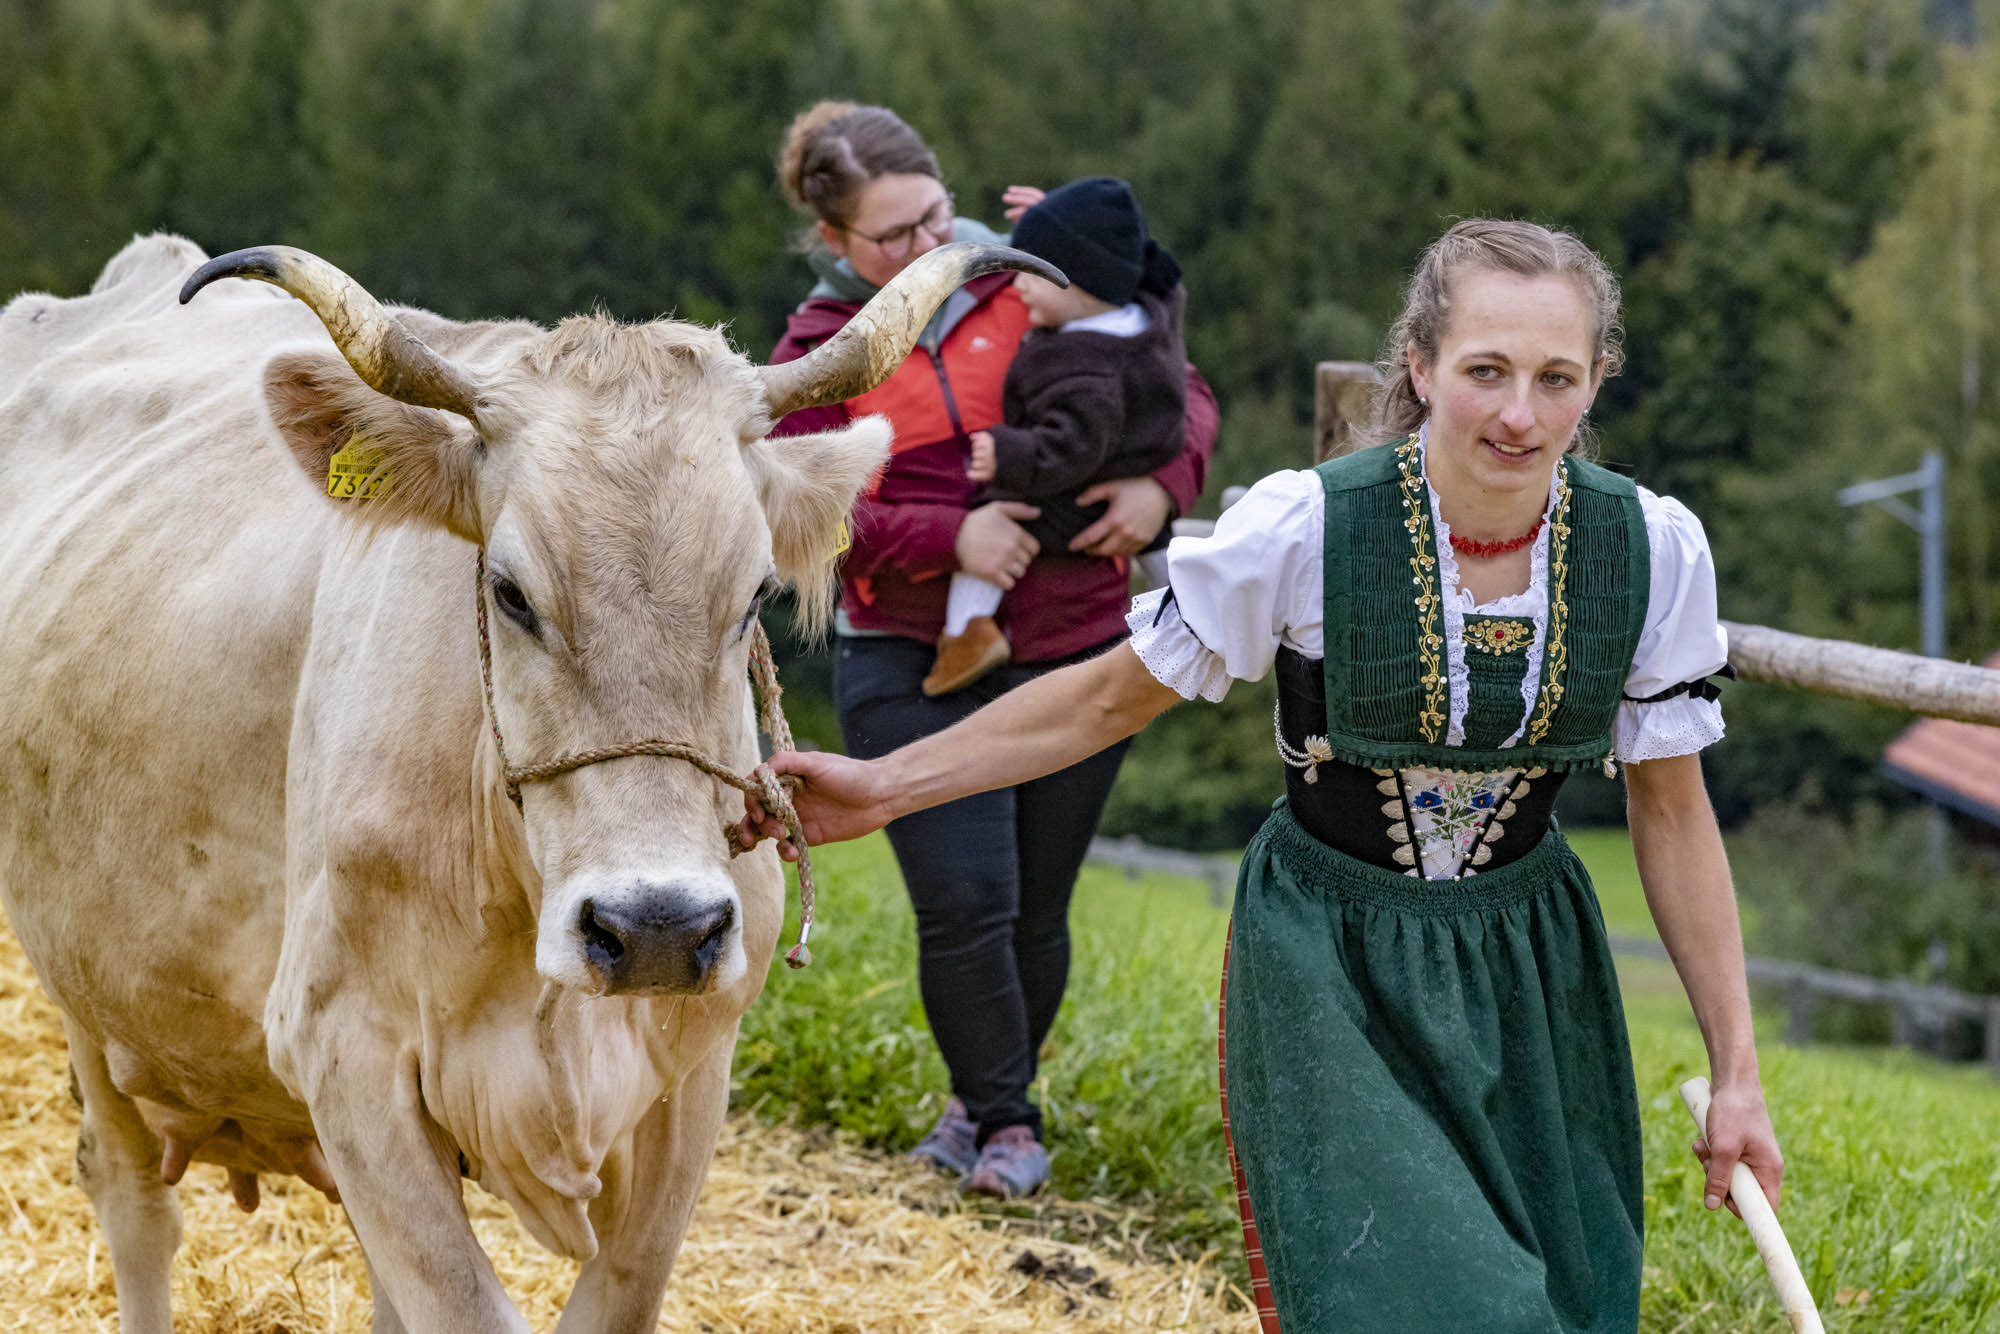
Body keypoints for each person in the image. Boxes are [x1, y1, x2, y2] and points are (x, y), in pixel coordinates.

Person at [744, 219, 1782, 1332]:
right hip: (1332, 960)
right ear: (1420, 364)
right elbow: (1104, 699)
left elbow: (1672, 811)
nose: (1518, 414)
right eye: (1485, 370)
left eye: (1555, 378)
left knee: (1561, 1299)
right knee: (1424, 1300)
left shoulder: (1648, 549)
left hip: (1532, 971)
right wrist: (887, 785)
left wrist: (1737, 1073)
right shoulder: (1307, 528)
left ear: (1596, 381)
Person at [768, 102, 1218, 1198]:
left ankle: (977, 1108)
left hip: (1073, 639)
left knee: (1036, 905)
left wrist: (1163, 489)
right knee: (965, 898)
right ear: (834, 240)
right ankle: (1012, 1124)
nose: (929, 246)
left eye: (936, 215)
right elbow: (794, 505)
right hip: (904, 650)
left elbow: (1177, 385)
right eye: (894, 236)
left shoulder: (1028, 278)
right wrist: (947, 536)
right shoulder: (809, 352)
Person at [936, 175, 1189, 695]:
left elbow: (1069, 448)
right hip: (1138, 468)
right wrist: (1075, 225)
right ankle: (1187, 606)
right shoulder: (1148, 315)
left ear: (1078, 280)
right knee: (1158, 546)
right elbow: (1157, 273)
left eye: (1032, 273)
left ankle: (967, 632)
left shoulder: (1083, 369)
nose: (1017, 285)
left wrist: (1006, 453)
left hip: (1076, 497)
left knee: (1000, 510)